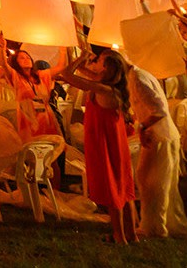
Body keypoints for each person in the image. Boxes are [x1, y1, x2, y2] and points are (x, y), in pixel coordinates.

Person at [57, 49, 136, 244]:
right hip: (115, 143)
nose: (96, 61)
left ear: (107, 67)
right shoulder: (107, 85)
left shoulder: (105, 90)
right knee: (123, 188)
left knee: (112, 188)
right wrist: (74, 55)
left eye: (99, 60)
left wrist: (80, 57)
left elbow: (66, 74)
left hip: (105, 144)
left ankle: (119, 236)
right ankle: (131, 234)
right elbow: (84, 72)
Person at [124, 61, 187, 237]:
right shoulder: (135, 76)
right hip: (156, 134)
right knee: (147, 180)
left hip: (160, 136)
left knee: (155, 182)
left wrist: (142, 126)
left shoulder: (138, 78)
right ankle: (151, 224)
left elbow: (159, 110)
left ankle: (156, 227)